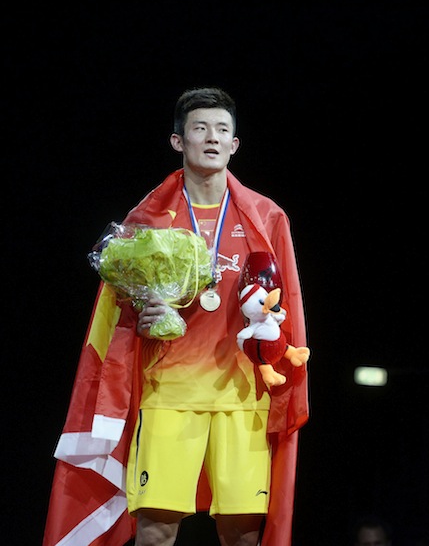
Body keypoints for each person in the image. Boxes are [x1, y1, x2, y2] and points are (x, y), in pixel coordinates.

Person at [44, 87, 309, 546]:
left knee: (243, 533)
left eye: (222, 130)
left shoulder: (268, 217)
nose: (211, 138)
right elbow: (116, 314)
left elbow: (289, 306)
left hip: (243, 395)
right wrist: (139, 318)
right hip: (169, 391)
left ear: (234, 145)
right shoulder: (146, 220)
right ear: (178, 141)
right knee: (156, 529)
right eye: (200, 128)